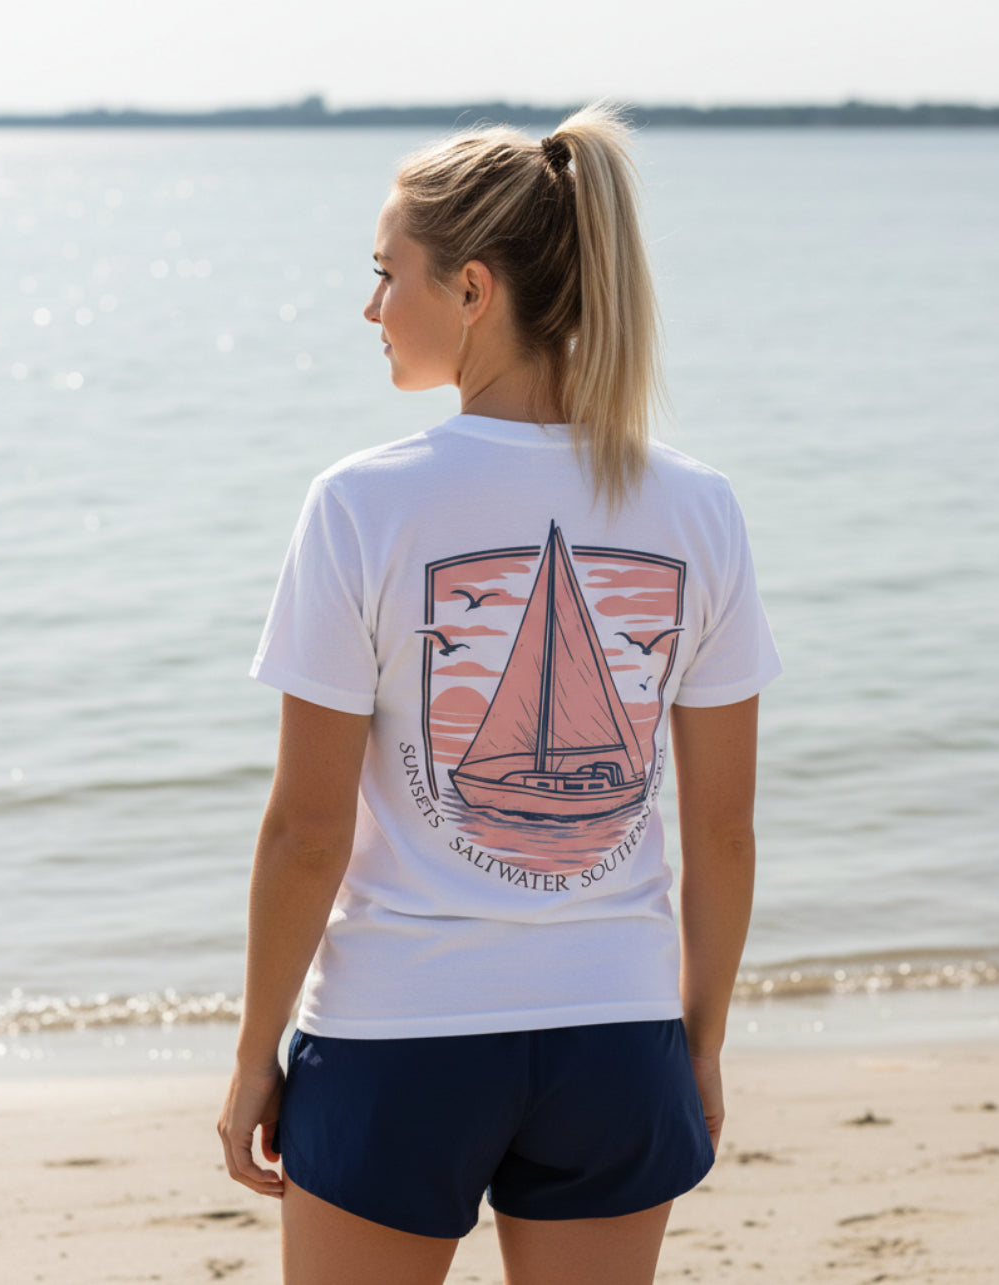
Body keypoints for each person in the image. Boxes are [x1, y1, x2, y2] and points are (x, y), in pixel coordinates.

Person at [217, 98, 782, 1285]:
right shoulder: (698, 507)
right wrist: (700, 1039)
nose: (371, 309)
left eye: (388, 275)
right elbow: (722, 831)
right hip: (618, 1039)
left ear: (472, 289)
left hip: (396, 1038)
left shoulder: (363, 505)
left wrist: (253, 1052)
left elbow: (307, 829)